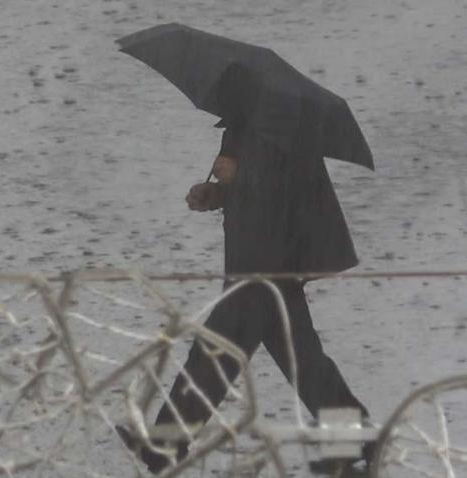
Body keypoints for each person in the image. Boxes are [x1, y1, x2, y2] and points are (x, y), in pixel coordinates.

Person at [119, 116, 373, 475]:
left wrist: (242, 177)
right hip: (251, 267)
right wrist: (215, 195)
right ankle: (359, 444)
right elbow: (250, 194)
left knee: (213, 358)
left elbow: (293, 191)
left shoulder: (287, 130)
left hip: (269, 267)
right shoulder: (241, 127)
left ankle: (165, 446)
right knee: (301, 365)